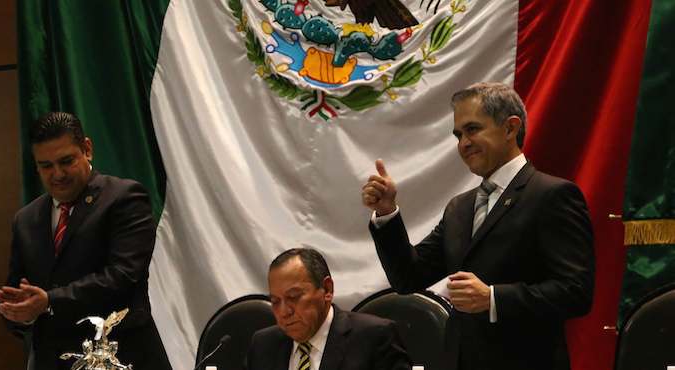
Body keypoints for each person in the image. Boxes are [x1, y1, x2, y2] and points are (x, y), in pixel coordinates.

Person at [361, 82, 595, 370]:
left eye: (472, 130)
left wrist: (493, 298)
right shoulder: (460, 207)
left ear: (510, 128)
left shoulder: (551, 195)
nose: (463, 143)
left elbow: (576, 291)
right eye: (458, 135)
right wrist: (387, 214)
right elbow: (408, 277)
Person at [0, 112, 172, 370]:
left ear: (87, 149)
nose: (57, 174)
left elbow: (122, 276)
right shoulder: (26, 219)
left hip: (119, 357)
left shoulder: (125, 198)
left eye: (66, 161)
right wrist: (19, 312)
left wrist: (49, 301)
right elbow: (22, 292)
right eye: (46, 166)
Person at [245, 248, 411, 370]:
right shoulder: (263, 345)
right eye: (275, 301)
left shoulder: (375, 338)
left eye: (294, 297)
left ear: (327, 290)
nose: (284, 312)